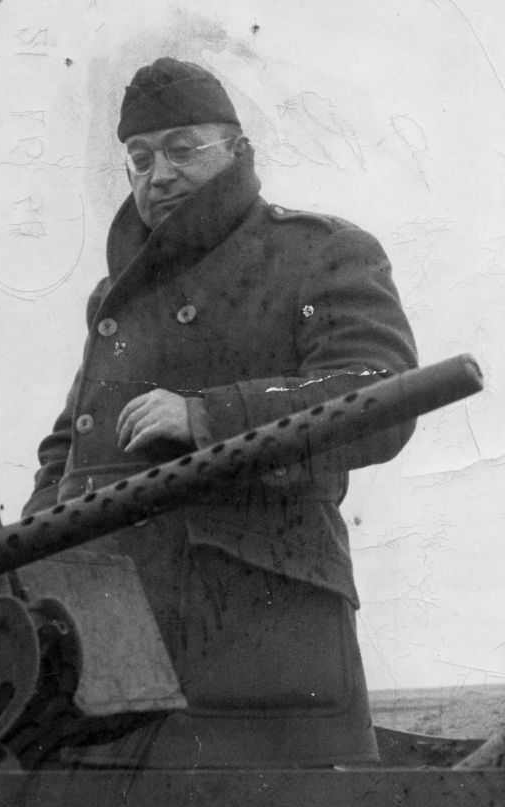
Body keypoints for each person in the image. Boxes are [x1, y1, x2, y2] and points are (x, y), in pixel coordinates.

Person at [22, 57, 418, 768]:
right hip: (109, 638)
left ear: (239, 151)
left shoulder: (320, 254)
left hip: (253, 636)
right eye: (139, 159)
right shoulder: (115, 298)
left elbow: (378, 396)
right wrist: (35, 555)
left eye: (182, 149)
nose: (158, 174)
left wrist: (209, 417)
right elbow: (67, 449)